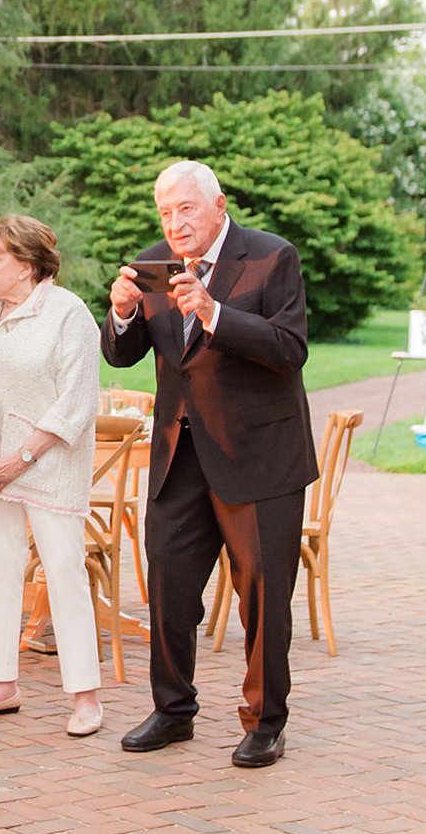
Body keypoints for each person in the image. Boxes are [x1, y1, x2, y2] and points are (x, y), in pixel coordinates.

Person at [104, 161, 316, 768]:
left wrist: (214, 313)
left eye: (186, 209)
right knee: (168, 584)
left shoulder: (272, 258)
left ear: (218, 205)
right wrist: (120, 313)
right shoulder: (150, 265)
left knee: (263, 595)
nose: (174, 223)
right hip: (180, 455)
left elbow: (290, 349)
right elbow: (122, 356)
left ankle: (264, 721)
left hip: (260, 458)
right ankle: (173, 710)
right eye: (165, 212)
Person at [0, 216, 103, 737]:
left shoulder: (68, 314)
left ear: (28, 265)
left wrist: (23, 457)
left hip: (49, 466)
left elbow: (77, 401)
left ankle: (86, 696)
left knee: (63, 571)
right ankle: (0, 685)